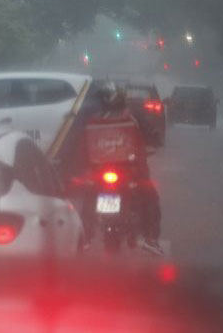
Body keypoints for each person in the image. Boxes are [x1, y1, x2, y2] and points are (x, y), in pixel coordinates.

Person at [64, 81, 162, 254]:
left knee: (91, 197)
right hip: (126, 171)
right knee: (149, 197)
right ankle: (151, 239)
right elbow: (80, 145)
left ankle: (86, 237)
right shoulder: (128, 116)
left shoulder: (97, 117)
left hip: (113, 171)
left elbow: (79, 145)